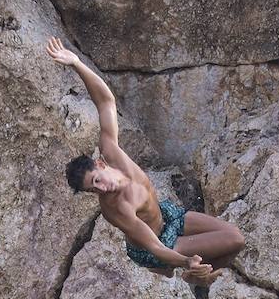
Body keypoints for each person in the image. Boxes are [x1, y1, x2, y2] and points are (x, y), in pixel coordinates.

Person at [47, 36, 245, 286]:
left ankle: (194, 275)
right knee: (235, 240)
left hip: (166, 214)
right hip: (156, 245)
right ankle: (189, 274)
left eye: (97, 181)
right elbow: (153, 245)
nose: (100, 189)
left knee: (233, 236)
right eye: (92, 190)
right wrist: (184, 261)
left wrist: (76, 63)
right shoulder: (116, 209)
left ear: (100, 164)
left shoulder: (111, 151)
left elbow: (105, 102)